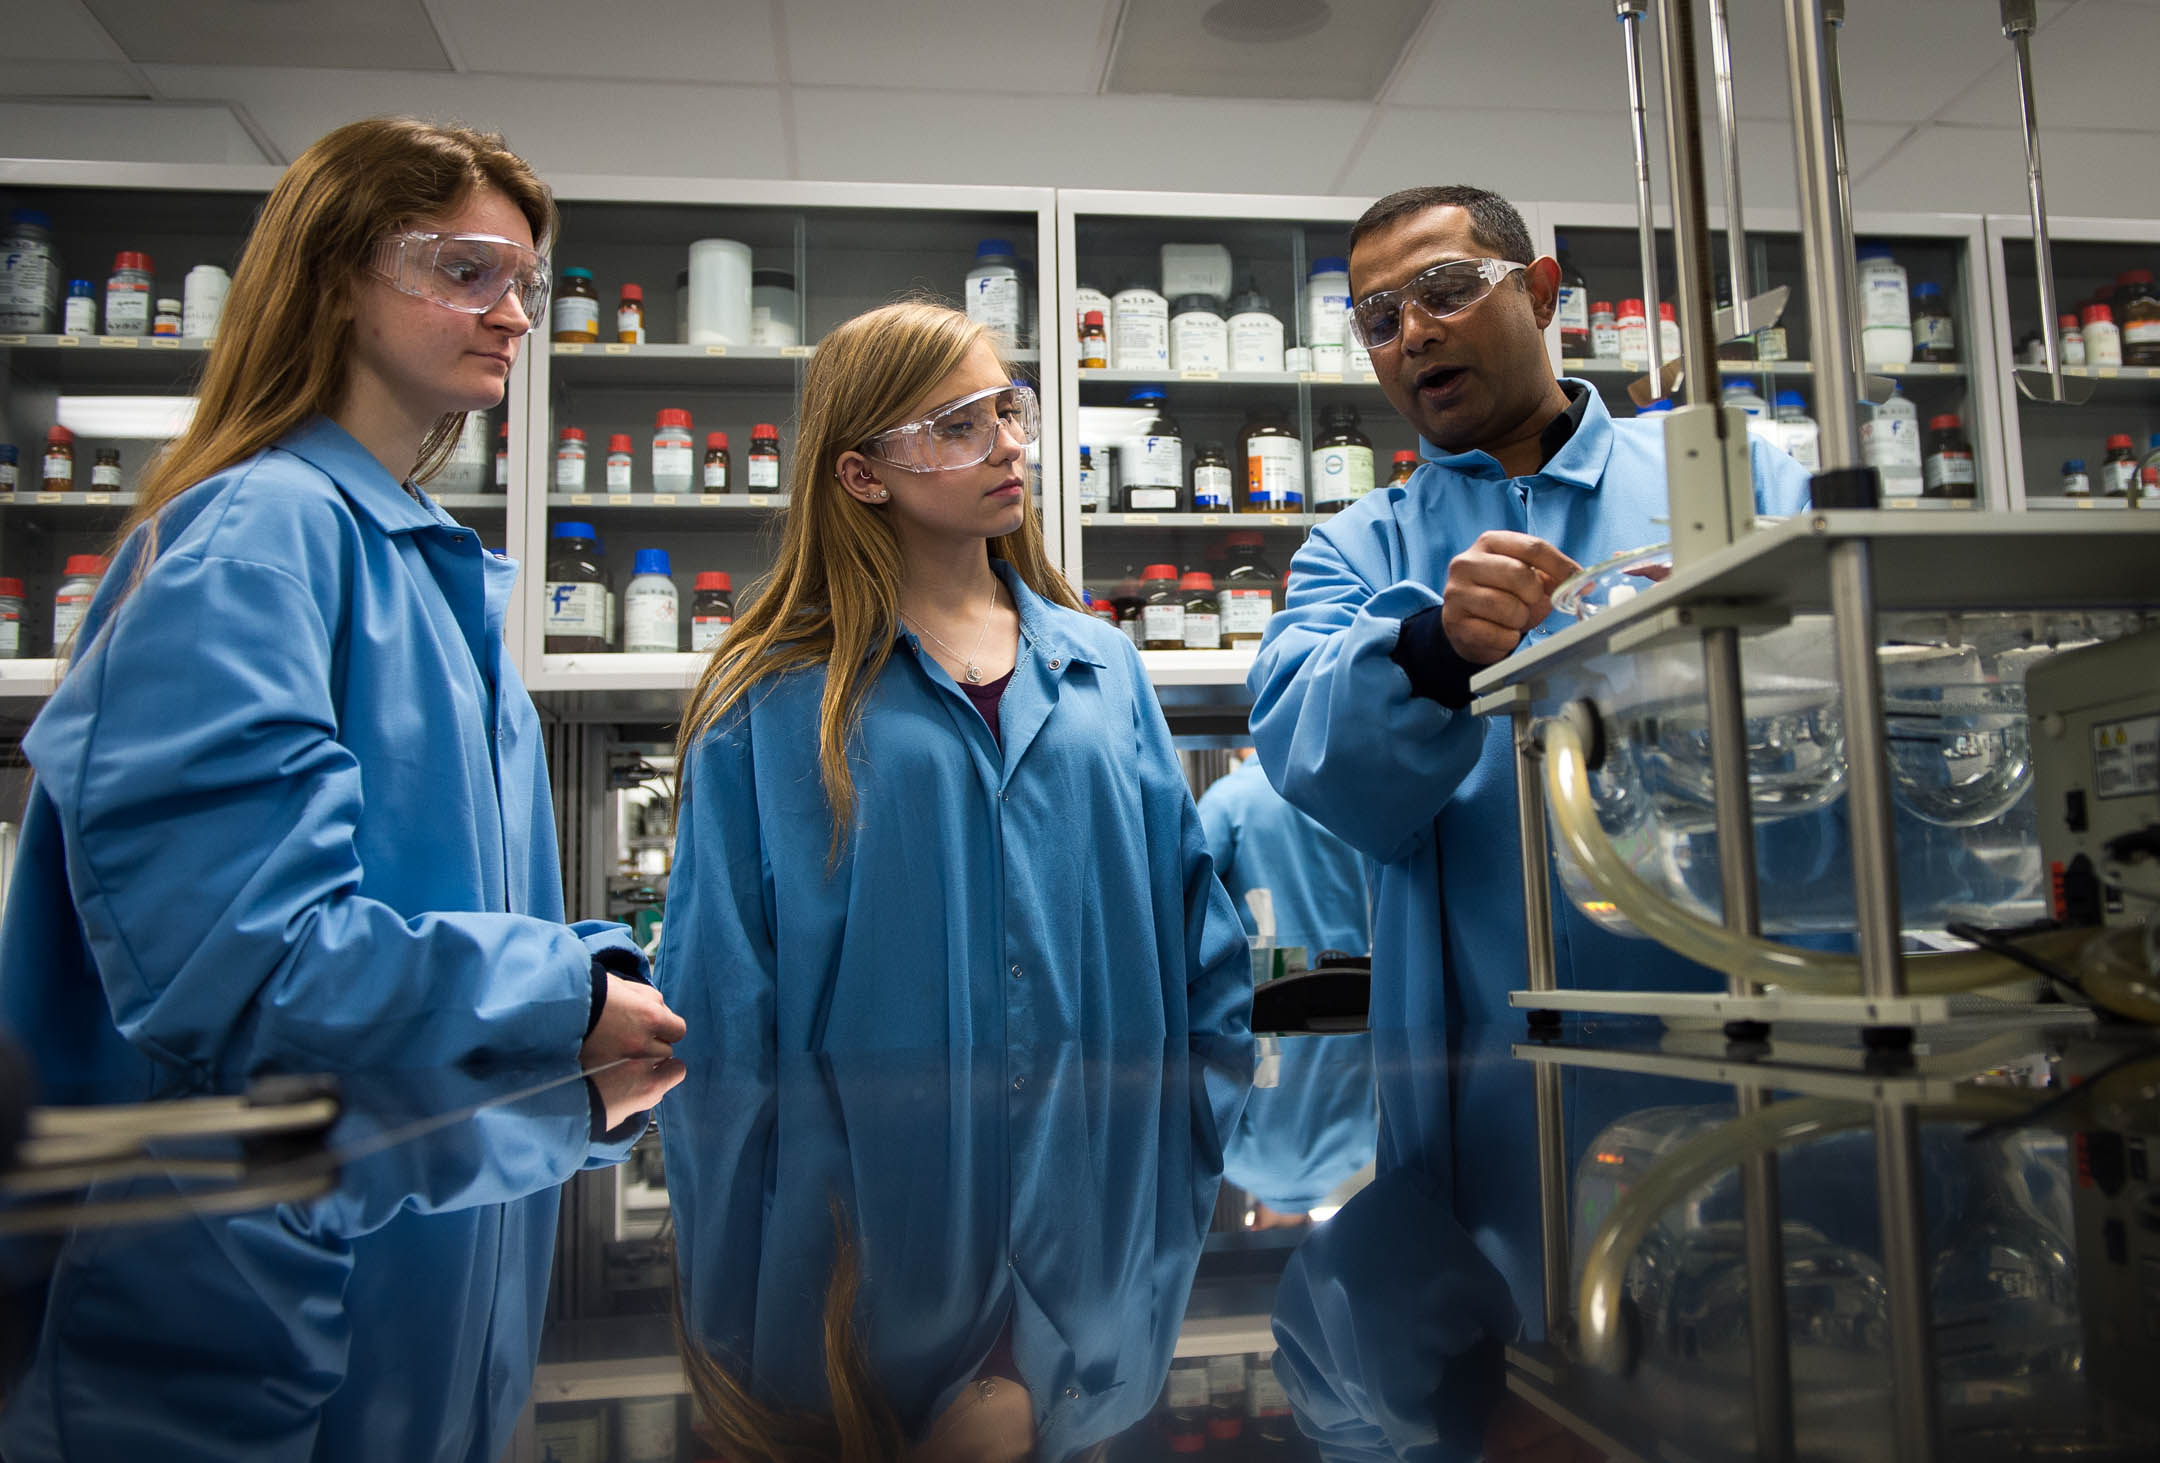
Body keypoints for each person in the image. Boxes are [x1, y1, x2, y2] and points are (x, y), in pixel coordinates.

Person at [0, 118, 684, 1462]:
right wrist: (570, 991)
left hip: (409, 1319)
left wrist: (585, 972)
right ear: (331, 277)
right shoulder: (255, 541)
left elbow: (430, 923)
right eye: (470, 269)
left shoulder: (428, 568)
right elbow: (257, 977)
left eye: (526, 283)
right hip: (228, 1320)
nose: (515, 316)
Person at [656, 299, 1255, 1460]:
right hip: (853, 1204)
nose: (1007, 444)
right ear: (863, 471)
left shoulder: (1103, 666)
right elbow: (720, 990)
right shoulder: (771, 694)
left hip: (1106, 1171)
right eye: (956, 423)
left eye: (1008, 410)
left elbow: (1201, 943)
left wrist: (1193, 1133)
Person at [1247, 185, 1813, 1035]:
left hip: (1737, 1021)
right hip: (1485, 1058)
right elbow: (1313, 761)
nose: (1415, 332)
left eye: (1445, 290)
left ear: (1541, 295)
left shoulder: (1725, 476)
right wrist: (1434, 651)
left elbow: (1838, 702)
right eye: (1379, 318)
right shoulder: (1357, 549)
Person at [1197, 749, 1376, 1223]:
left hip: (1263, 1006)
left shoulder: (1232, 800)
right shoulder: (1351, 799)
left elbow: (1185, 900)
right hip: (1351, 988)